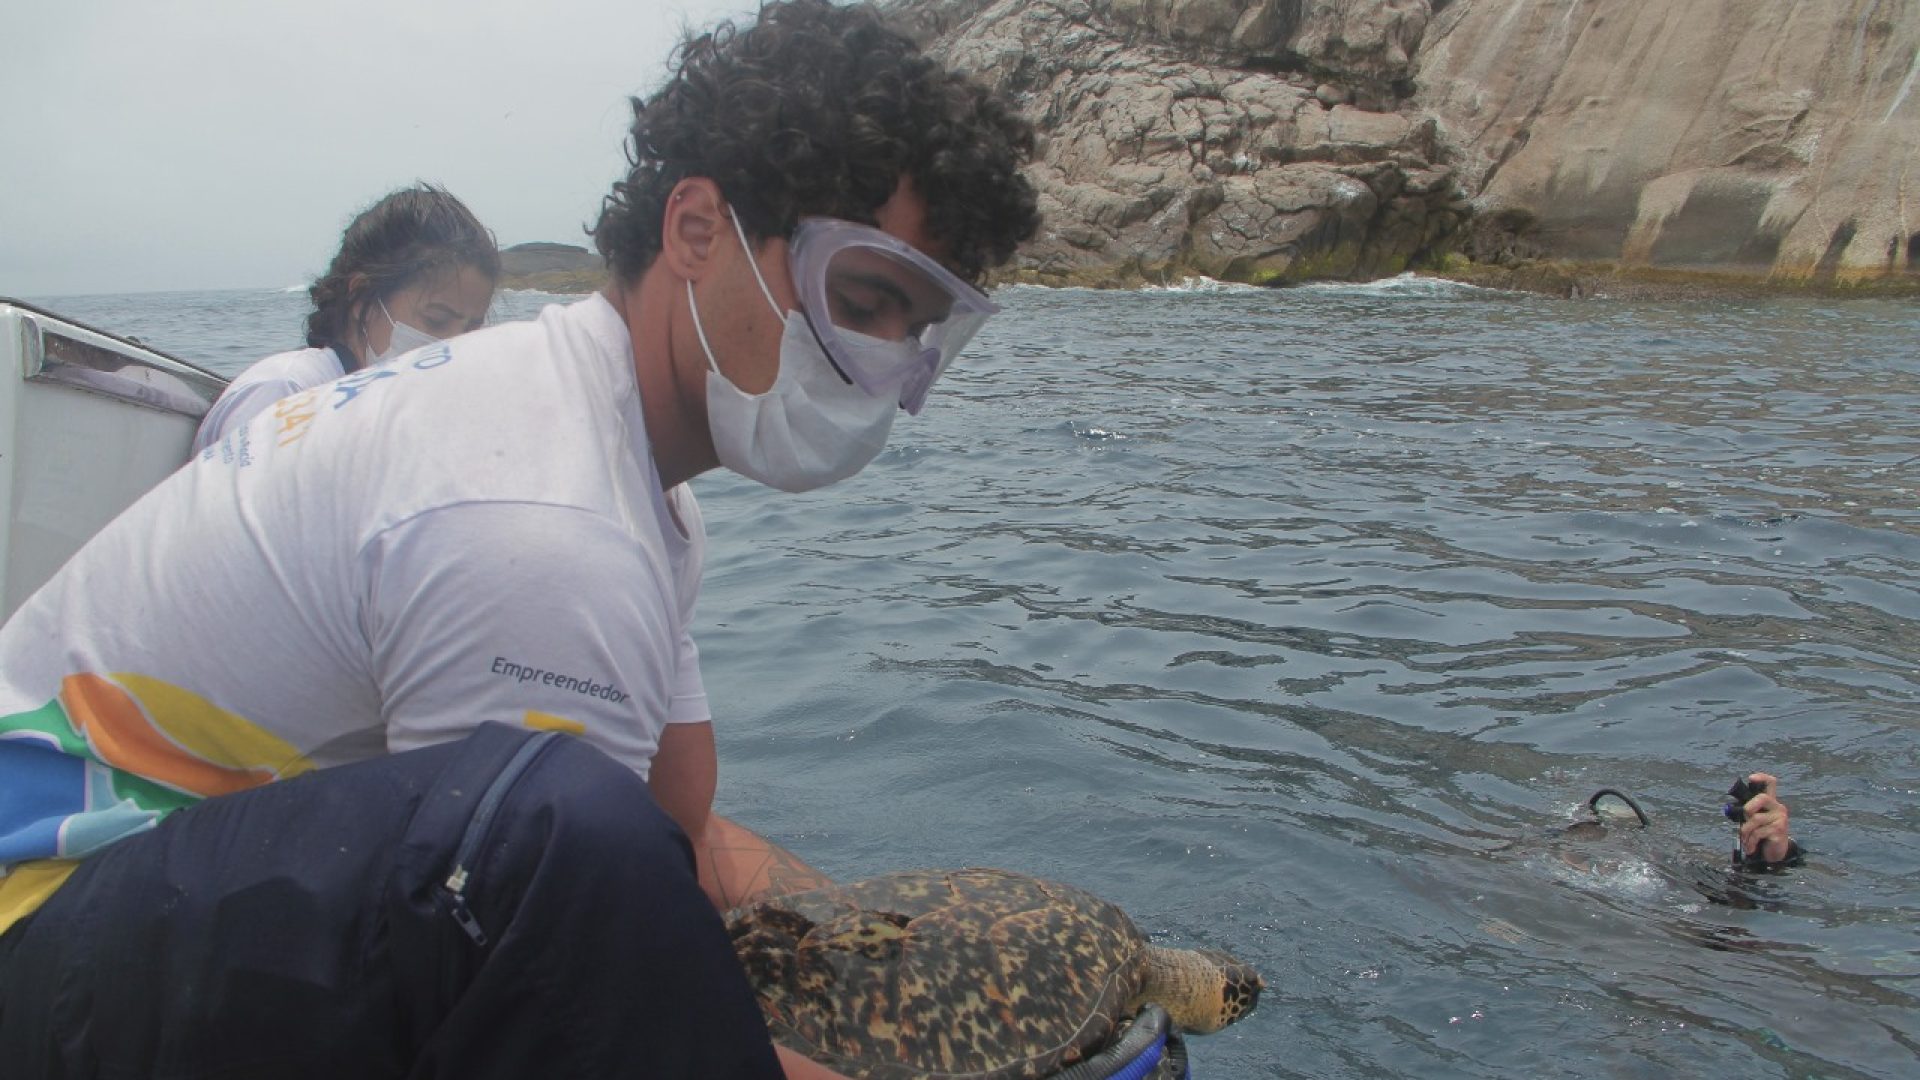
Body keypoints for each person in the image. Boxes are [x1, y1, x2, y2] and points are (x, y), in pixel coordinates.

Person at [0, 2, 1039, 1076]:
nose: (878, 358)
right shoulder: (540, 521)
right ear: (695, 230)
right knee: (563, 843)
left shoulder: (630, 490)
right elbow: (540, 959)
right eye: (859, 298)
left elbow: (677, 835)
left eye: (913, 330)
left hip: (143, 916)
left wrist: (895, 946)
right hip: (38, 941)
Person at [189, 183, 499, 454]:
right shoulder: (286, 394)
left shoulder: (389, 415)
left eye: (471, 329)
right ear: (361, 296)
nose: (454, 346)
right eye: (436, 320)